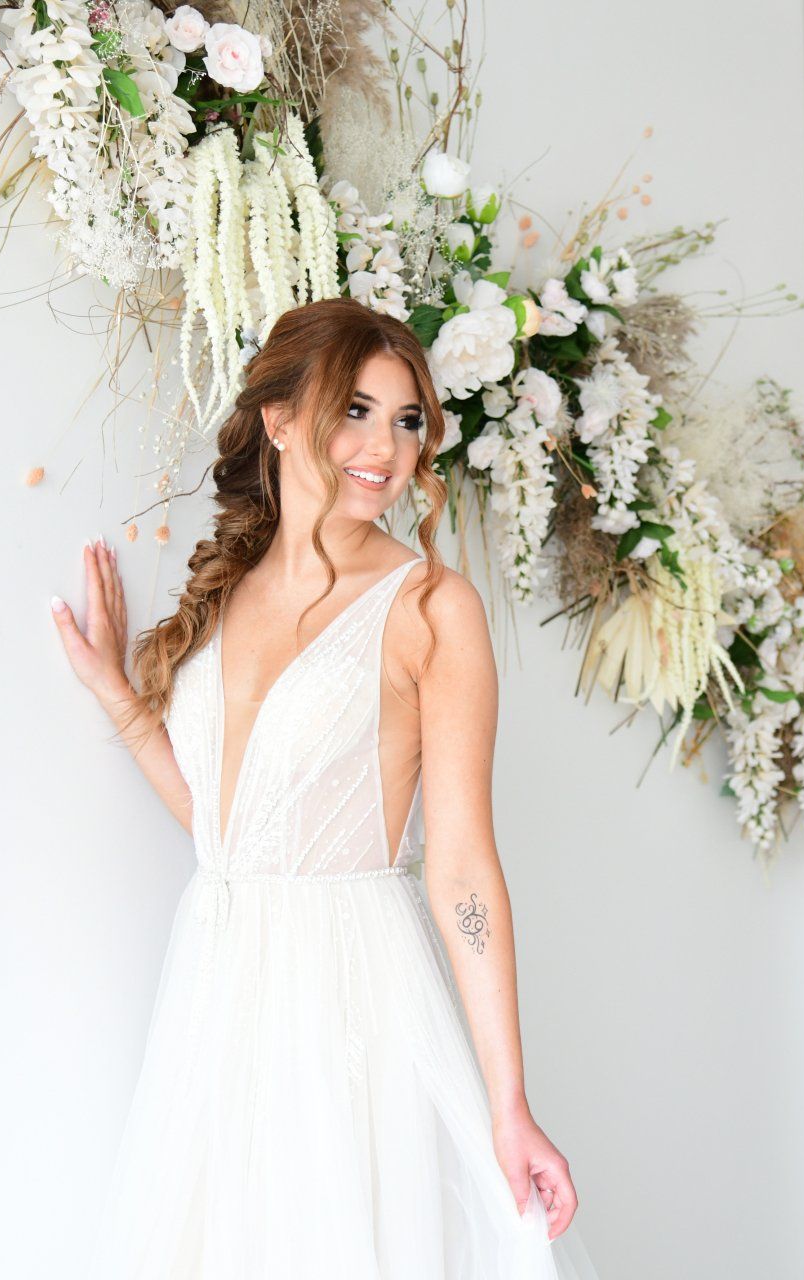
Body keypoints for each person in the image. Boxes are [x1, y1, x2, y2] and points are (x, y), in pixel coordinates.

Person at [50, 298, 598, 1278]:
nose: (384, 447)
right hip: (220, 993)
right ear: (279, 417)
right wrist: (123, 703)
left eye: (407, 418)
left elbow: (464, 866)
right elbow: (236, 833)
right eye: (356, 408)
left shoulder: (432, 606)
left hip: (353, 994)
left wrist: (508, 1101)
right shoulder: (228, 584)